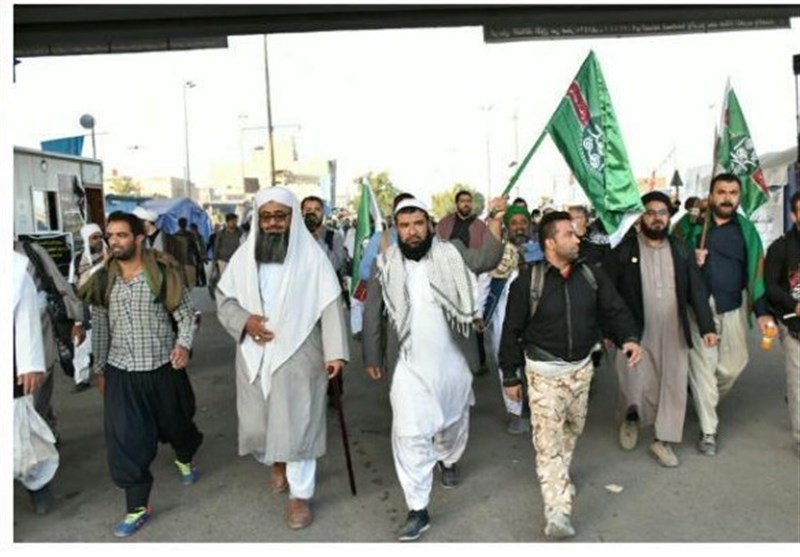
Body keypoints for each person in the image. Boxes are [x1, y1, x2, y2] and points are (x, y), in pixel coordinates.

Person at [363, 197, 505, 541]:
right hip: (409, 363)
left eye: (417, 224)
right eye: (405, 226)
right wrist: (372, 356)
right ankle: (418, 508)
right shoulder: (385, 263)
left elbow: (488, 258)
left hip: (453, 360)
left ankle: (449, 458)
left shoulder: (451, 252)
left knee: (453, 420)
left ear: (429, 225)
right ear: (397, 229)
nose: (412, 232)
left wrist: (497, 218)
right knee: (409, 433)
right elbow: (372, 313)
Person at [498, 210, 643, 540]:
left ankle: (559, 476)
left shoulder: (591, 275)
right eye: (568, 234)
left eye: (576, 233)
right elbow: (511, 331)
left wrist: (629, 338)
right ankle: (557, 511)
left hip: (581, 370)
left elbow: (614, 309)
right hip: (543, 373)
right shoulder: (528, 281)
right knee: (547, 442)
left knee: (572, 429)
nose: (577, 238)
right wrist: (510, 375)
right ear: (550, 242)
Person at [215, 187, 349, 531]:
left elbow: (331, 305)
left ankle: (299, 497)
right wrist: (245, 322)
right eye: (267, 216)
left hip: (300, 350)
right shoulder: (244, 257)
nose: (274, 223)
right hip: (253, 350)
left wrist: (335, 353)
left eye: (280, 216)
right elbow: (224, 300)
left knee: (299, 422)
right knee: (259, 424)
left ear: (292, 218)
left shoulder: (313, 257)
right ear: (258, 219)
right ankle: (274, 457)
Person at [80, 211, 204, 538]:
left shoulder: (161, 272)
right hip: (122, 371)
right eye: (110, 236)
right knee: (125, 438)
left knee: (177, 423)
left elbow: (186, 315)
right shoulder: (103, 279)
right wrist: (100, 369)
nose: (114, 241)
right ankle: (137, 504)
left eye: (122, 235)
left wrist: (183, 346)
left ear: (138, 238)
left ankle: (184, 454)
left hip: (163, 367)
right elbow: (102, 328)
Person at [604, 191, 717, 467]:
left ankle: (663, 440)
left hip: (673, 330)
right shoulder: (625, 250)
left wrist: (706, 326)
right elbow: (609, 293)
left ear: (670, 216)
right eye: (651, 212)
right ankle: (631, 419)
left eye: (662, 213)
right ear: (641, 216)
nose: (657, 218)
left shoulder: (681, 249)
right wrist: (609, 330)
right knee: (634, 383)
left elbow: (697, 291)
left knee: (673, 384)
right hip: (635, 332)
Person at [673, 172, 776, 456]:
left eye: (733, 192)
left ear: (738, 196)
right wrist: (690, 256)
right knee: (703, 367)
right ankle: (709, 431)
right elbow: (669, 253)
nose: (727, 197)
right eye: (722, 192)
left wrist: (763, 310)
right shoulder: (691, 226)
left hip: (733, 305)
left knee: (733, 366)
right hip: (698, 308)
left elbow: (756, 271)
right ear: (711, 194)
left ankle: (702, 392)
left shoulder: (746, 230)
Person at [477, 204, 542, 435]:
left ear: (529, 225)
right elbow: (485, 281)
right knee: (507, 362)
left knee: (537, 364)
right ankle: (516, 412)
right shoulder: (498, 253)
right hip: (504, 317)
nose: (519, 227)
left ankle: (539, 409)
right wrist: (479, 313)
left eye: (523, 223)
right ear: (507, 228)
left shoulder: (541, 250)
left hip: (537, 317)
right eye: (514, 223)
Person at [14, 239, 86, 441]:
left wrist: (77, 320)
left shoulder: (31, 251)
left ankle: (39, 435)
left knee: (38, 384)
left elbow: (57, 282)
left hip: (39, 327)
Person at [14, 250, 52, 514]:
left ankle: (37, 484)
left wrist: (29, 365)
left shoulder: (14, 269)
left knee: (19, 433)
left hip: (10, 366)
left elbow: (26, 317)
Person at [764, 191, 800, 454]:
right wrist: (794, 305)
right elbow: (771, 287)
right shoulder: (780, 247)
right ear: (793, 215)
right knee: (797, 382)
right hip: (795, 326)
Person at [69, 222, 108, 391]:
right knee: (81, 345)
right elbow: (72, 285)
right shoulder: (78, 260)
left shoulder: (110, 256)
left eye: (99, 237)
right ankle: (81, 379)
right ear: (86, 239)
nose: (98, 241)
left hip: (105, 304)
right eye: (93, 238)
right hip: (85, 306)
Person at [301, 195, 347, 276]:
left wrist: (317, 239)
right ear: (302, 213)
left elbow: (335, 266)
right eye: (308, 210)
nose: (312, 213)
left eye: (317, 210)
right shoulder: (293, 235)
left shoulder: (334, 236)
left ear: (323, 212)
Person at [164, 217, 201, 289]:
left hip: (178, 261)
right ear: (186, 224)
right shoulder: (191, 235)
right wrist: (199, 259)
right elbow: (196, 248)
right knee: (191, 283)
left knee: (181, 282)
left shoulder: (174, 236)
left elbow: (171, 251)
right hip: (189, 261)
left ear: (178, 224)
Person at [69, 222, 107, 288]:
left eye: (101, 237)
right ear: (87, 240)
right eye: (95, 238)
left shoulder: (110, 256)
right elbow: (72, 282)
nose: (99, 240)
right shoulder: (78, 260)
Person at [189, 223, 207, 287]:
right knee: (196, 268)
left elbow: (203, 246)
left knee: (201, 268)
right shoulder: (190, 237)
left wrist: (204, 255)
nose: (191, 231)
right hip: (194, 255)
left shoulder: (200, 237)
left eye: (192, 229)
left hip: (200, 254)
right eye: (191, 229)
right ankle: (197, 282)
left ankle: (203, 281)